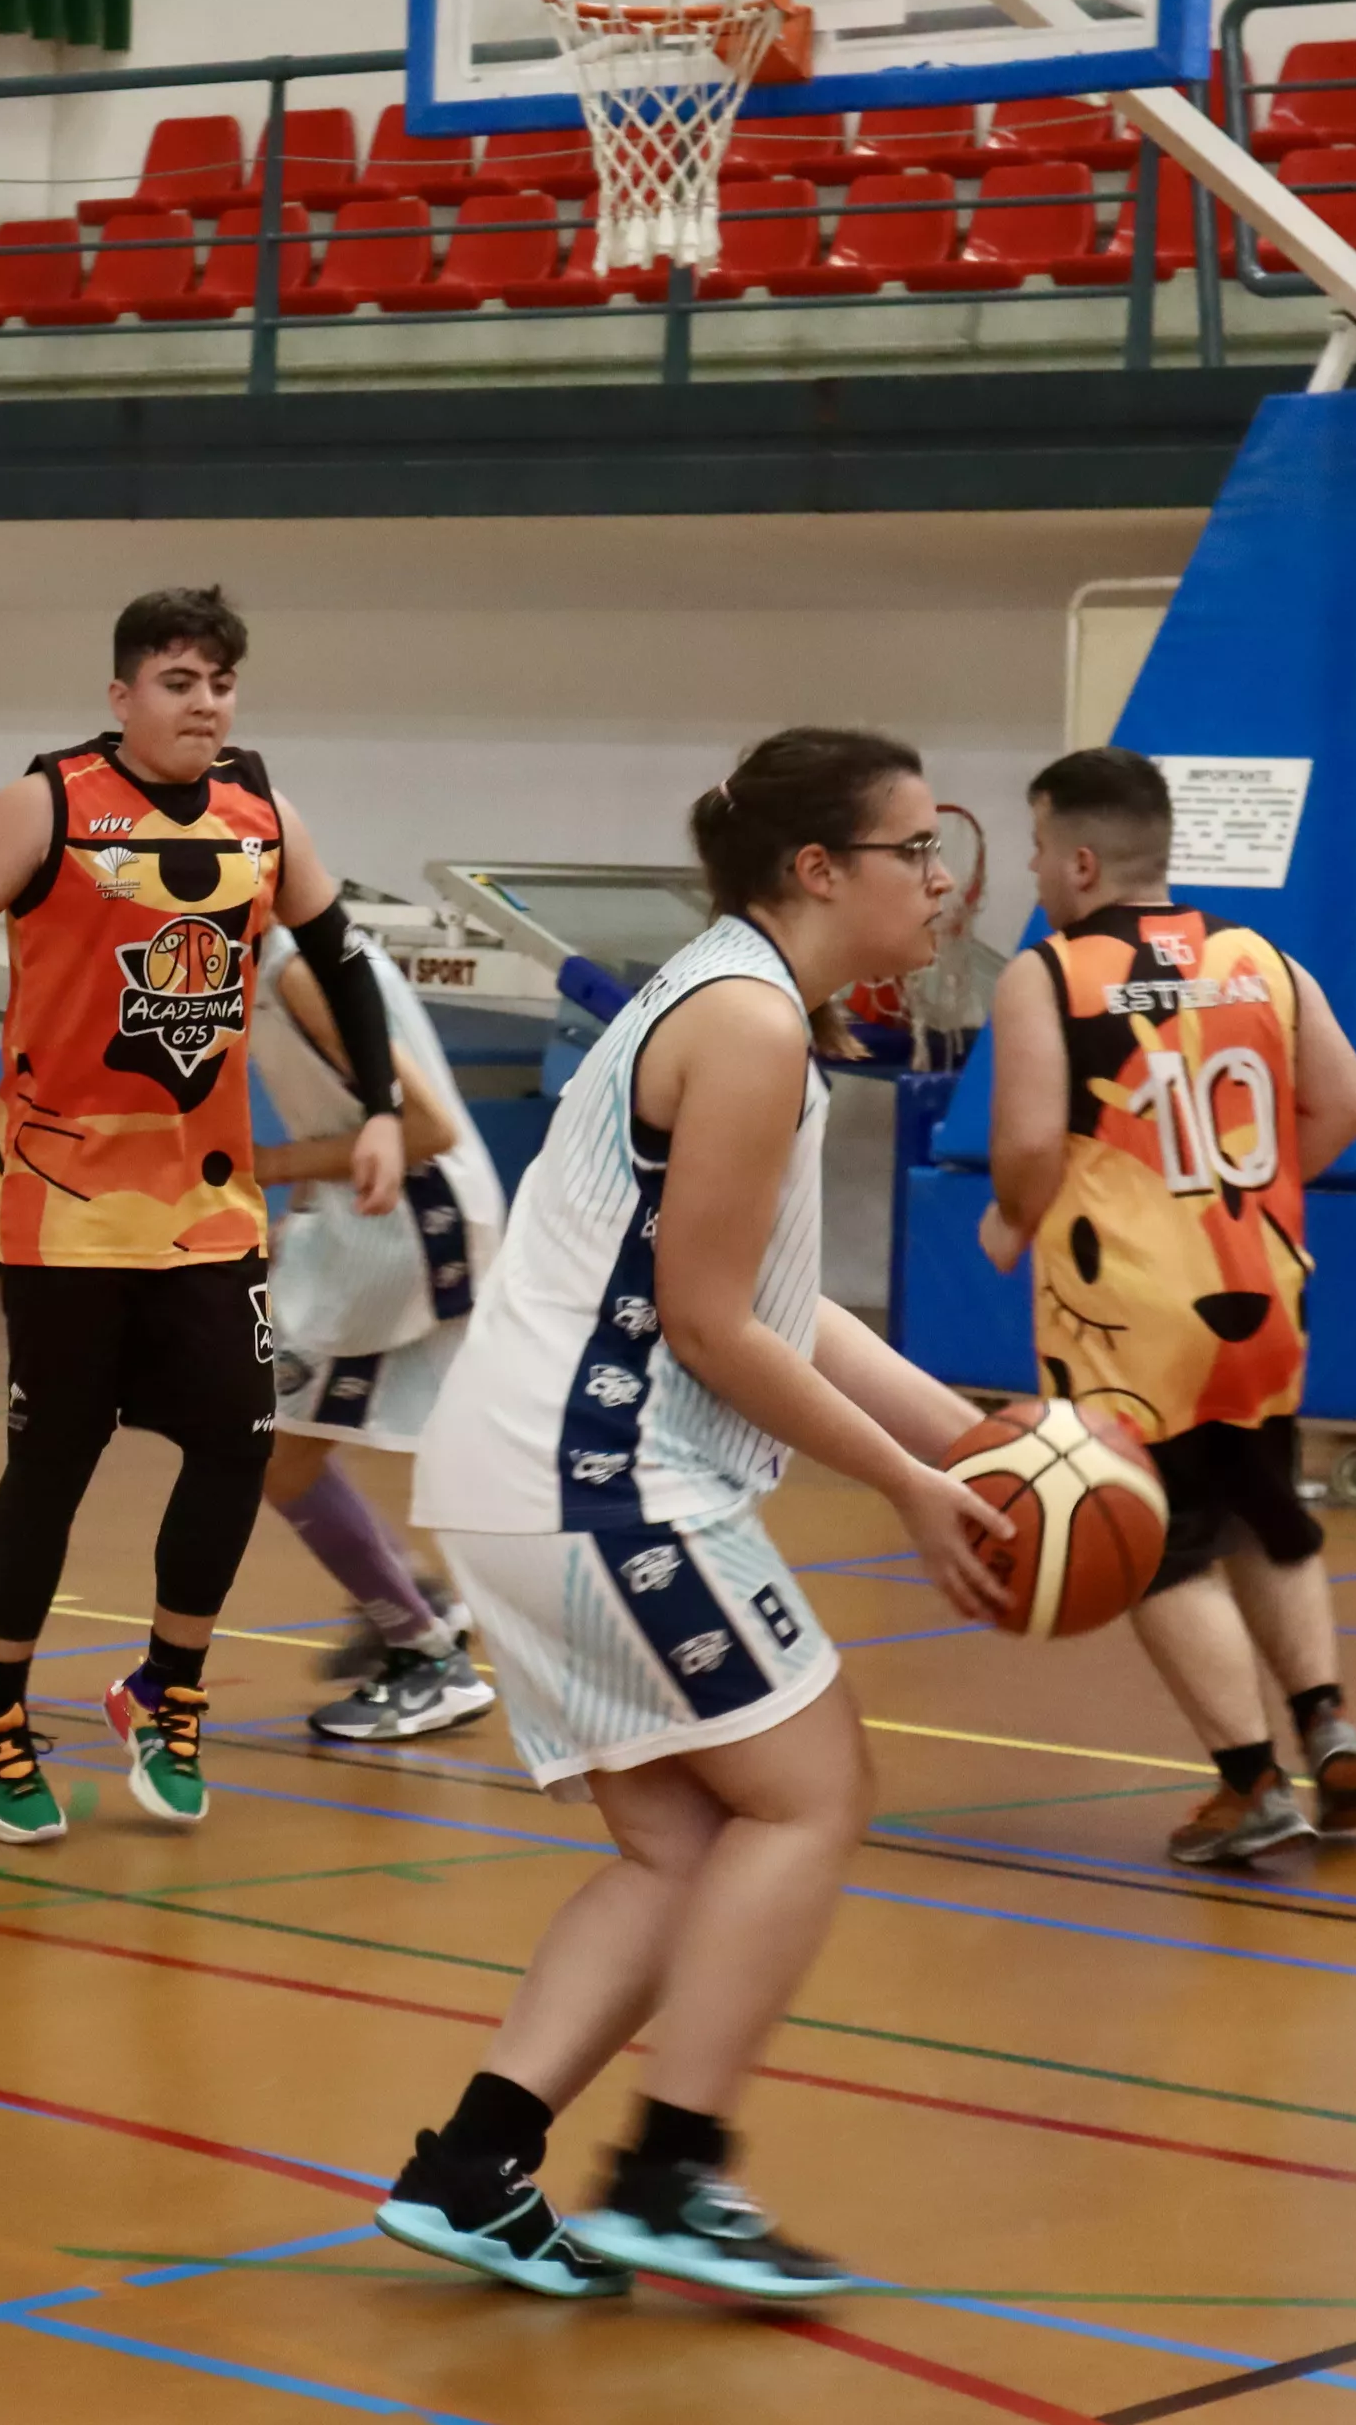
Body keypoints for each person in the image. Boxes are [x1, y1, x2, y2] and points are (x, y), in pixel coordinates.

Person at [372, 728, 1007, 2302]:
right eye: (916, 850)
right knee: (809, 1790)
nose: (942, 881)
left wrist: (973, 1431)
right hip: (594, 1479)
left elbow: (773, 1303)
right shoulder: (746, 1028)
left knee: (683, 1844)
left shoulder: (736, 998)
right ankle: (671, 2170)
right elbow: (717, 1329)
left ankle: (474, 2163)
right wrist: (918, 1493)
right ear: (818, 870)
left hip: (529, 1475)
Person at [0, 587, 409, 1844]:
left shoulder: (263, 813)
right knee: (56, 1461)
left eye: (222, 683)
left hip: (208, 1202)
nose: (206, 704)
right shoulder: (50, 804)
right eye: (179, 682)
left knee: (237, 1442)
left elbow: (342, 954)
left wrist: (385, 1102)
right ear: (122, 695)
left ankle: (167, 1692)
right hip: (63, 1196)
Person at [977, 747, 1356, 1865]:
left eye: (1034, 848)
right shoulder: (1260, 958)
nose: (1031, 869)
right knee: (1268, 1513)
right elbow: (1346, 1101)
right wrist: (1254, 1190)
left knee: (1156, 1545)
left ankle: (1251, 1783)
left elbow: (1021, 1143)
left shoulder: (1049, 975)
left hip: (1131, 1317)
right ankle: (1328, 1722)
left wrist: (1013, 1217)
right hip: (1261, 1287)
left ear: (1080, 858)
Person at [243, 915, 501, 1741]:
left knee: (272, 1451)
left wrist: (270, 1166)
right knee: (277, 1442)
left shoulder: (298, 974)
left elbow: (424, 1129)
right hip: (382, 1221)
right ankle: (414, 1604)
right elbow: (338, 1111)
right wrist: (299, 1205)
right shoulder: (286, 959)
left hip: (409, 1223)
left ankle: (428, 1655)